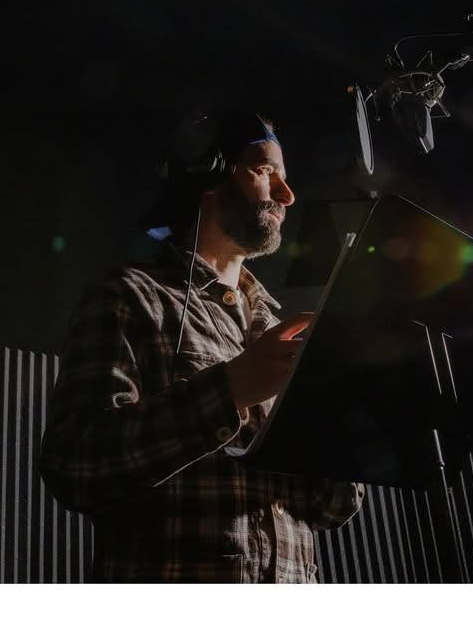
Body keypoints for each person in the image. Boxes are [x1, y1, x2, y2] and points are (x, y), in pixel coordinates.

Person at [39, 110, 364, 582]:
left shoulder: (278, 331)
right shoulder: (130, 296)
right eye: (265, 169)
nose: (288, 195)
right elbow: (74, 467)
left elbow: (333, 509)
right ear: (205, 170)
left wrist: (341, 429)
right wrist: (229, 390)